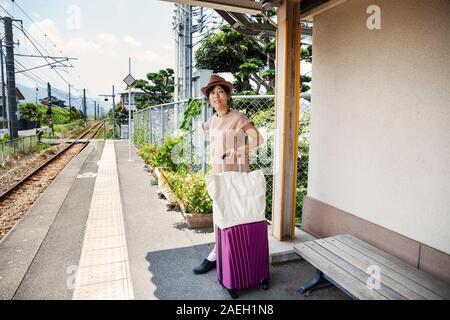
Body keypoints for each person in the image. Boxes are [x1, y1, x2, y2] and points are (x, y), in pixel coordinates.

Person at [193, 74, 265, 275]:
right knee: (220, 214)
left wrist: (239, 150)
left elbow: (258, 139)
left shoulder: (238, 118)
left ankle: (217, 257)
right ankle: (222, 254)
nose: (217, 96)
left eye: (221, 92)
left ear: (228, 95)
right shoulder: (210, 122)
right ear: (209, 99)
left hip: (237, 174)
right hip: (219, 174)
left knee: (235, 216)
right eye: (212, 93)